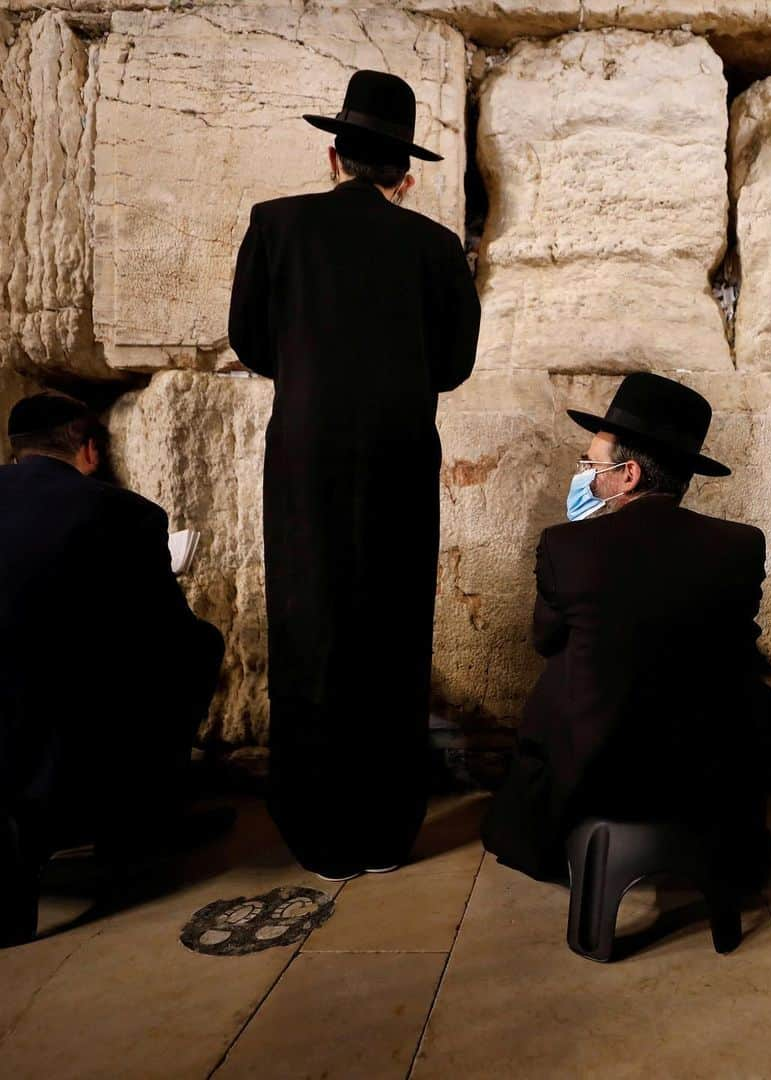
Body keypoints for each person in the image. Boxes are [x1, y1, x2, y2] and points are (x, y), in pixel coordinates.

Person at [228, 70, 481, 879]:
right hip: (400, 456)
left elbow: (252, 342)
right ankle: (383, 831)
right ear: (404, 173)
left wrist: (313, 376)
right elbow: (453, 366)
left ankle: (317, 831)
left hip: (305, 459)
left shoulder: (276, 225)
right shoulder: (437, 249)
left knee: (312, 628)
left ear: (334, 155)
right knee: (392, 630)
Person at [482, 373, 771, 888]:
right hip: (705, 769)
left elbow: (546, 640)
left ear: (629, 475)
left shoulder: (565, 546)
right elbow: (738, 647)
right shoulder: (741, 545)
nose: (583, 475)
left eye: (591, 465)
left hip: (594, 775)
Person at [0, 393, 225, 947]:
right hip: (53, 734)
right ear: (91, 449)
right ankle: (133, 824)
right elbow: (167, 633)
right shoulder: (125, 514)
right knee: (197, 646)